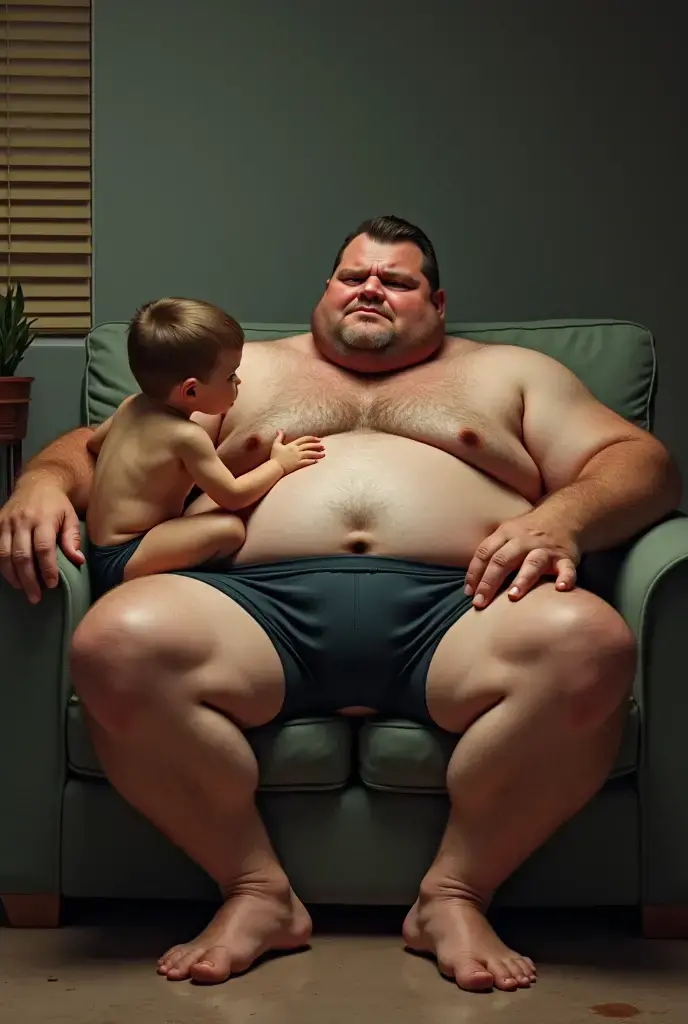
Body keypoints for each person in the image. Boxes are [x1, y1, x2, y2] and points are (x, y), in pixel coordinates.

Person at [0, 216, 680, 993]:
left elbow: (641, 463)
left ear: (438, 302)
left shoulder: (512, 374)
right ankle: (256, 893)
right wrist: (41, 483)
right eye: (354, 275)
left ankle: (455, 896)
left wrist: (562, 519)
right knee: (113, 643)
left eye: (397, 280)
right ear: (325, 289)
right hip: (247, 605)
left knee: (590, 644)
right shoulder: (237, 371)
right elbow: (104, 447)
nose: (370, 289)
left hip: (462, 608)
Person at [85, 297, 325, 598]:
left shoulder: (129, 406)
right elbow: (234, 496)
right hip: (126, 555)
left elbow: (94, 444)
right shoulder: (186, 436)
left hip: (98, 544)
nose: (239, 381)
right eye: (230, 376)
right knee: (230, 530)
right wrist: (279, 463)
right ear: (191, 390)